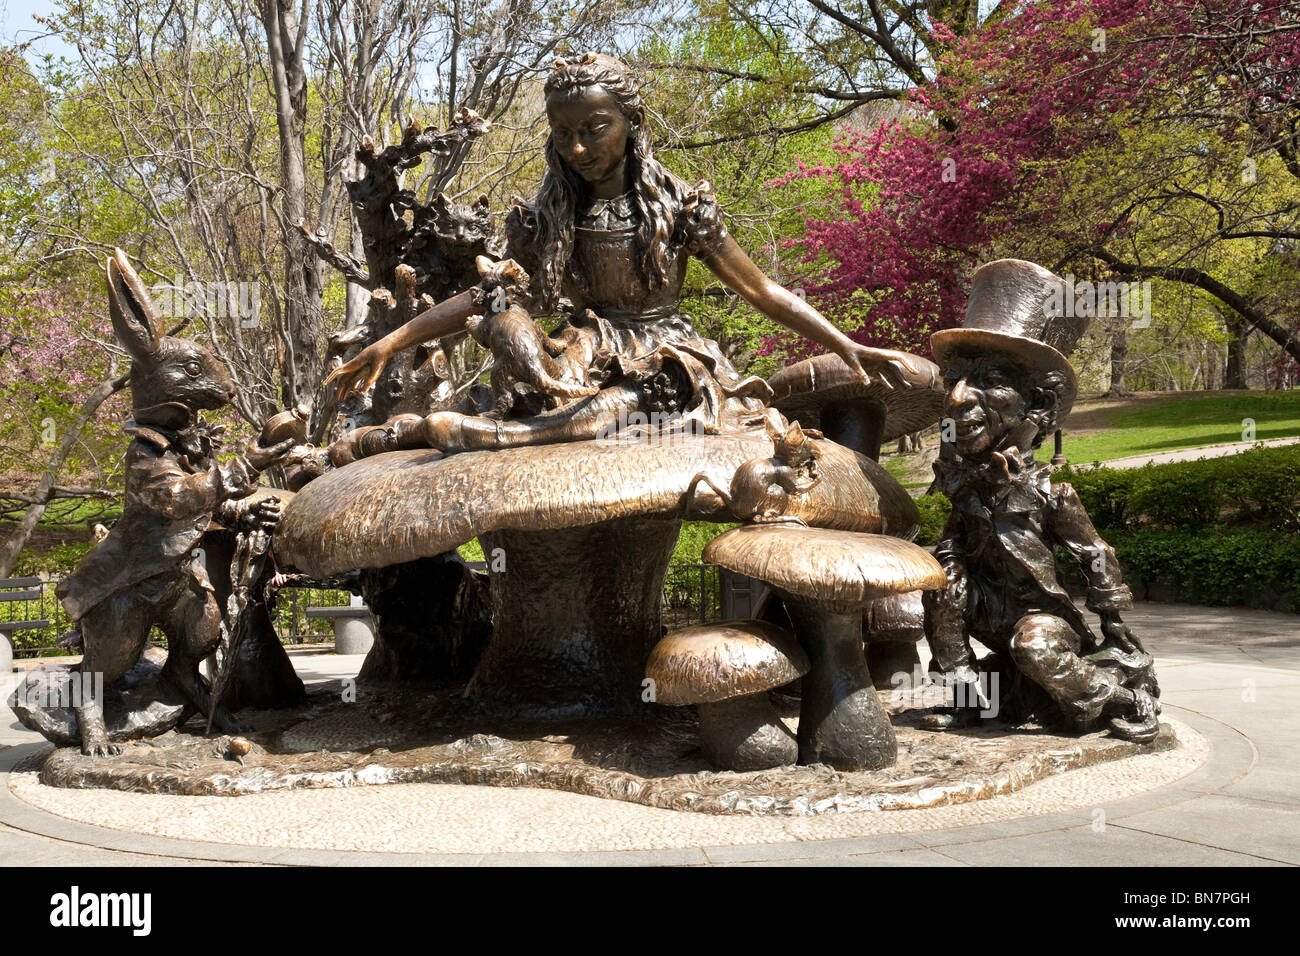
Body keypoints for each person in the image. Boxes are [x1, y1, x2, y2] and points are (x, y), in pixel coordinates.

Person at [327, 53, 919, 453]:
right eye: (564, 134)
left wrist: (845, 343)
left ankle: (510, 437)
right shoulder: (548, 219)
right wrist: (389, 342)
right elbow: (483, 299)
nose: (578, 146)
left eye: (595, 128)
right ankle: (508, 424)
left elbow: (761, 290)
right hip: (586, 345)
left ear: (631, 123)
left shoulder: (681, 208)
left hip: (664, 351)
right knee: (519, 340)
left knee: (627, 405)